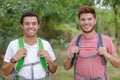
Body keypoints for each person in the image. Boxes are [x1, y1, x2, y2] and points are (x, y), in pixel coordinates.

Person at [63, 6, 120, 80]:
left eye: (89, 19)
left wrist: (107, 55)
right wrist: (71, 55)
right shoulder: (75, 41)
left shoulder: (105, 40)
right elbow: (66, 67)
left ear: (95, 21)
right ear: (79, 21)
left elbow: (118, 64)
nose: (86, 22)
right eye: (83, 19)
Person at [1, 11, 57, 80]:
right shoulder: (13, 45)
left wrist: (49, 60)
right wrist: (14, 59)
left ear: (38, 26)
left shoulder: (45, 44)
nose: (31, 26)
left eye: (34, 23)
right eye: (27, 24)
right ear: (22, 26)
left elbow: (53, 70)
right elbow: (5, 72)